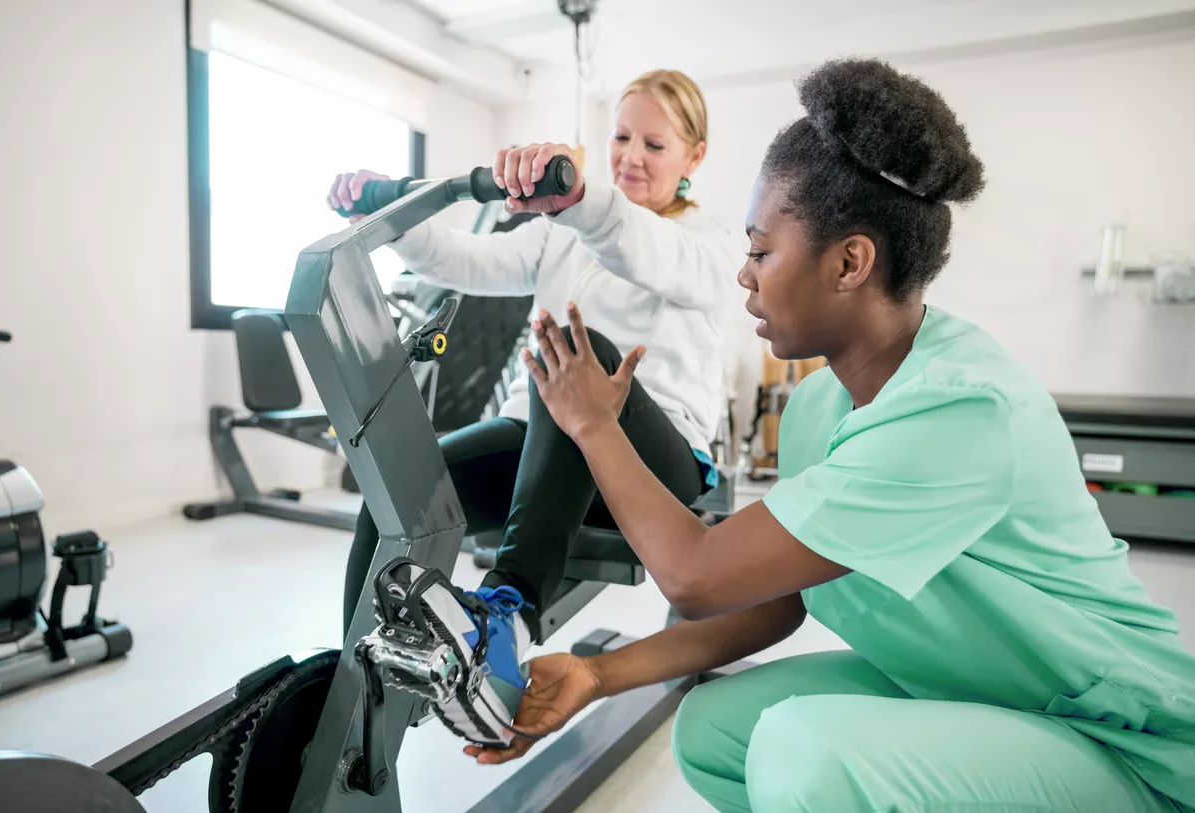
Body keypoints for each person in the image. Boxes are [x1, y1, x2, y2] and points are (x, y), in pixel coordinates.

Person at [441, 58, 1195, 812]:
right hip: (967, 688)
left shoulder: (961, 409)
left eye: (762, 251)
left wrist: (593, 422)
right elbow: (777, 600)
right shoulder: (818, 407)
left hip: (1112, 735)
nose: (744, 275)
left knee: (803, 752)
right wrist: (598, 674)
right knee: (714, 729)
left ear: (850, 262)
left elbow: (694, 576)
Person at [326, 70, 745, 745]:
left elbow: (648, 251)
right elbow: (473, 260)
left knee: (580, 351)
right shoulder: (565, 232)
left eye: (654, 145)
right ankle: (354, 690)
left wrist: (582, 199)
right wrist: (388, 221)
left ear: (694, 157)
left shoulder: (712, 243)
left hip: (654, 464)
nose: (631, 155)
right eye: (620, 137)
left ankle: (506, 617)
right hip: (543, 435)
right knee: (394, 496)